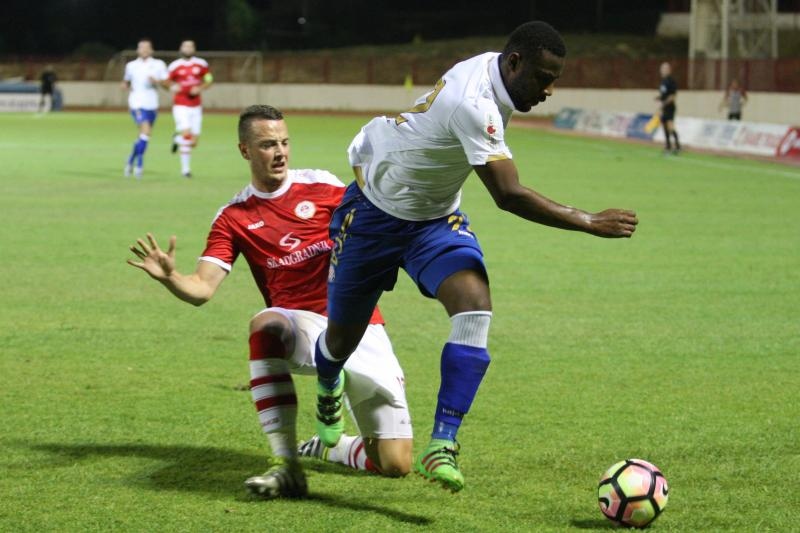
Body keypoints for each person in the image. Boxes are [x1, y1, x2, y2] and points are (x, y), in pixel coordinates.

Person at [312, 21, 638, 493]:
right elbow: (508, 194)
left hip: (433, 221)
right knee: (342, 340)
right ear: (514, 63)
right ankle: (328, 385)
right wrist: (589, 220)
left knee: (474, 307)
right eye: (543, 78)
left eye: (554, 80)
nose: (548, 91)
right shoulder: (475, 102)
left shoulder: (496, 71)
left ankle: (442, 444)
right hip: (373, 214)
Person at [126, 105, 413, 499]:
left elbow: (375, 222)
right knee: (266, 323)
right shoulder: (234, 217)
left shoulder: (323, 186)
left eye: (284, 142)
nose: (279, 152)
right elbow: (203, 288)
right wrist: (171, 278)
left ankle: (333, 447)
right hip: (303, 329)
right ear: (245, 150)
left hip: (360, 326)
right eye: (267, 145)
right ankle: (285, 463)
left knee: (395, 464)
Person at [166, 40, 213, 178]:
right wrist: (172, 86)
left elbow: (209, 79)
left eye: (190, 46)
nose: (188, 48)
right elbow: (166, 81)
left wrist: (200, 88)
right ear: (181, 48)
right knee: (187, 135)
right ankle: (185, 170)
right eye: (185, 46)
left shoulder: (201, 64)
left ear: (194, 49)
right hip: (180, 105)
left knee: (193, 142)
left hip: (196, 106)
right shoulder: (175, 65)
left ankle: (177, 139)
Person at [121, 39, 168, 178]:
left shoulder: (159, 64)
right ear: (138, 50)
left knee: (143, 136)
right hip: (136, 103)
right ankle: (139, 165)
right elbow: (126, 81)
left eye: (147, 47)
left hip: (152, 104)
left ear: (151, 50)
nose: (144, 50)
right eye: (141, 47)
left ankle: (130, 159)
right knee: (146, 131)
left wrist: (157, 81)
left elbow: (167, 85)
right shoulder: (131, 66)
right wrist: (124, 85)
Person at [656, 61, 681, 154]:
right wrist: (659, 98)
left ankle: (677, 145)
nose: (663, 70)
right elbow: (664, 94)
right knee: (664, 126)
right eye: (662, 69)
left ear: (669, 70)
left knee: (670, 126)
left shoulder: (671, 81)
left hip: (670, 107)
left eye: (665, 69)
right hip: (664, 108)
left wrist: (664, 103)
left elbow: (672, 96)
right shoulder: (663, 81)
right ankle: (668, 146)